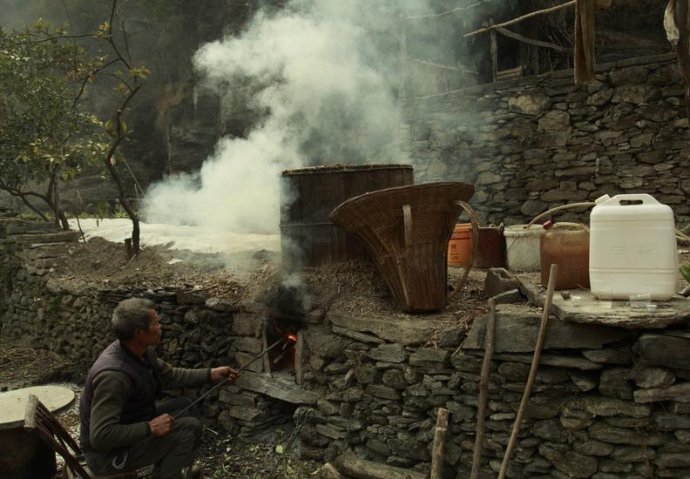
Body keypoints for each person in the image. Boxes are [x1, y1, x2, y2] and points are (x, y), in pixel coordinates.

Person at [79, 297, 239, 479]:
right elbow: (100, 436)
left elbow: (170, 375)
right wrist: (150, 427)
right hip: (107, 456)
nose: (160, 326)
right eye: (156, 323)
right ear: (139, 332)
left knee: (183, 405)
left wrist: (210, 374)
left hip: (130, 424)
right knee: (189, 429)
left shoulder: (141, 352)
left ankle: (170, 471)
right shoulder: (114, 377)